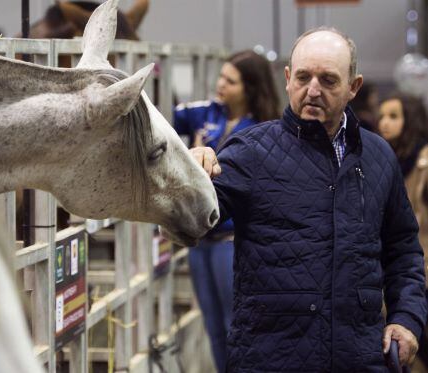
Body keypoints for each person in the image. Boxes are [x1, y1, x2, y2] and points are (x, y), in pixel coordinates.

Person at [189, 27, 427, 371]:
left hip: (358, 358)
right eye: (303, 77)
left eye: (328, 80)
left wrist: (406, 317)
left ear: (353, 87)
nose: (312, 90)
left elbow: (403, 248)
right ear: (287, 79)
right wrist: (188, 172)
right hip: (270, 360)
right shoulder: (250, 152)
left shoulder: (378, 156)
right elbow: (188, 219)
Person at [173, 50, 280, 373]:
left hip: (232, 241)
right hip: (200, 239)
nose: (221, 85)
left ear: (250, 87)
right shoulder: (207, 113)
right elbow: (168, 114)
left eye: (230, 81)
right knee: (213, 326)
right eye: (221, 77)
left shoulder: (264, 128)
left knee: (237, 324)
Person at [378, 93, 428, 372]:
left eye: (394, 116)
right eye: (382, 115)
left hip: (422, 272)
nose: (385, 122)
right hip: (395, 277)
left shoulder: (423, 162)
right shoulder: (382, 160)